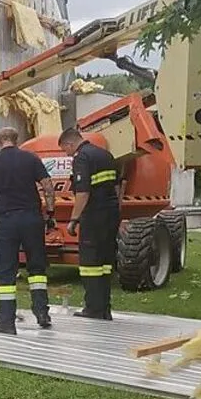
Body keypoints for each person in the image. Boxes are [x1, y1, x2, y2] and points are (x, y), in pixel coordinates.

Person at [0, 127, 55, 335]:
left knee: (6, 270)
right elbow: (48, 186)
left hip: (7, 221)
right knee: (37, 268)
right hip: (32, 218)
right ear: (16, 140)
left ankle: (6, 321)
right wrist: (50, 212)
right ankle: (42, 313)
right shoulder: (31, 159)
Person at [59, 128, 121, 321]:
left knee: (90, 264)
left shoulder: (82, 158)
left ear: (70, 143)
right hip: (110, 213)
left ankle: (93, 308)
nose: (66, 154)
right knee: (105, 263)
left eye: (65, 150)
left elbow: (83, 192)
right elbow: (118, 186)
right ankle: (104, 308)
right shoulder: (106, 155)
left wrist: (73, 220)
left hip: (93, 216)